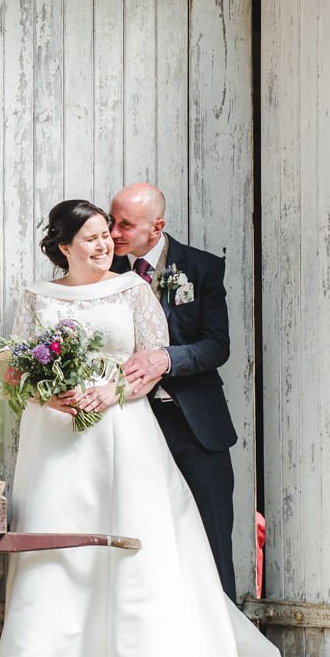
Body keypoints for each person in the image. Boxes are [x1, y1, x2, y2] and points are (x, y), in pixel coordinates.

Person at [0, 199, 330, 657]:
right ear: (64, 247)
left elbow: (153, 359)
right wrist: (48, 394)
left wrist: (112, 392)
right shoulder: (36, 295)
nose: (105, 242)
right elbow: (13, 361)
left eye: (106, 234)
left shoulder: (131, 289)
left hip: (119, 425)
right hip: (54, 434)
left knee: (129, 537)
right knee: (56, 540)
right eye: (90, 237)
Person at [107, 183, 241, 602]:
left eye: (125, 224)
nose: (112, 233)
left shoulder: (201, 268)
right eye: (112, 220)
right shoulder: (102, 270)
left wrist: (166, 359)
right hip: (130, 427)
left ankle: (229, 646)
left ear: (157, 226)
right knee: (143, 542)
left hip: (197, 429)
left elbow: (217, 345)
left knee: (213, 538)